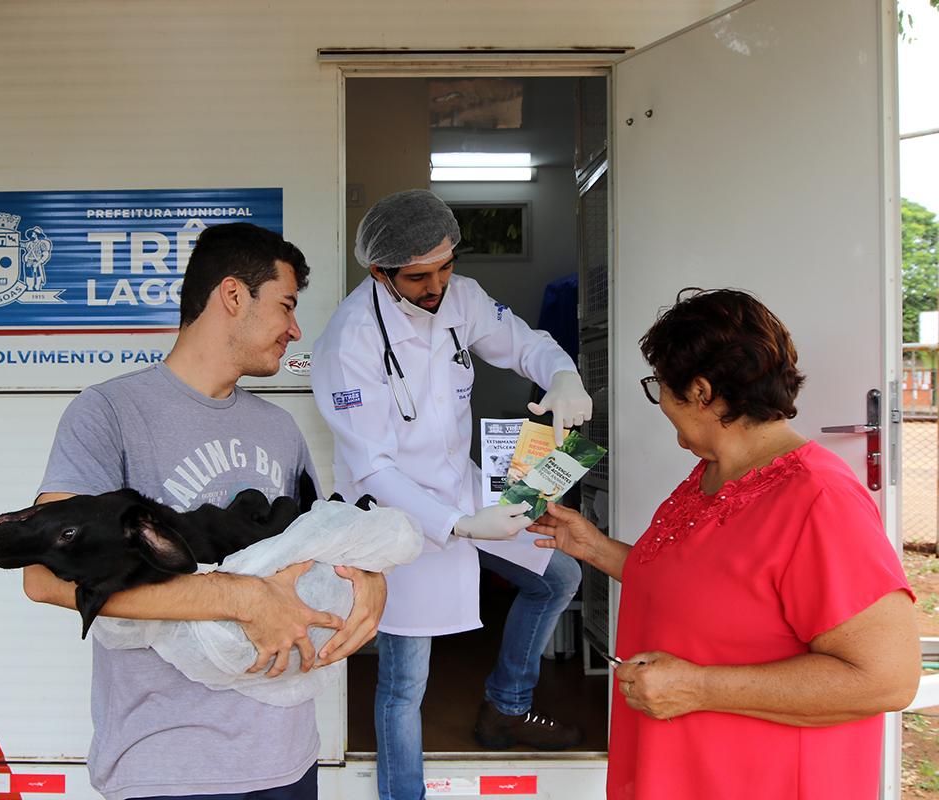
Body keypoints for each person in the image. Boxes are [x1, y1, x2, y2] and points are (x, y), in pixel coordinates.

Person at [23, 222, 388, 800]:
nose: (296, 330)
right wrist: (239, 597)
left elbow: (327, 543)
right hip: (169, 767)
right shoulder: (109, 413)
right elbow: (44, 577)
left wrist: (371, 581)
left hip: (289, 760)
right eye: (286, 306)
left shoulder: (280, 429)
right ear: (234, 295)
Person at [532, 288, 920, 800]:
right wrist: (595, 547)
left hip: (758, 779)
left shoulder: (818, 497)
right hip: (681, 769)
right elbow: (707, 587)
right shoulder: (713, 473)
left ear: (700, 391)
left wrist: (697, 687)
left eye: (659, 387)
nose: (661, 403)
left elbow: (886, 679)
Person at [310, 189, 594, 800]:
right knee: (406, 681)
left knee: (558, 577)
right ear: (378, 271)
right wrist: (460, 527)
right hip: (394, 517)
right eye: (418, 277)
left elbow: (521, 341)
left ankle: (505, 707)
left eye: (445, 267)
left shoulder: (459, 298)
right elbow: (374, 469)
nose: (437, 285)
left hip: (467, 494)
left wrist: (562, 374)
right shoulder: (348, 342)